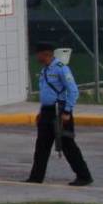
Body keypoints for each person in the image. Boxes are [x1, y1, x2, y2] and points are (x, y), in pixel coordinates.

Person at [26, 42, 93, 186]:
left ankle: (84, 176)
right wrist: (41, 112)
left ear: (45, 54)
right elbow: (46, 93)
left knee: (68, 145)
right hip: (47, 111)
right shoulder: (45, 70)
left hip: (59, 110)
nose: (36, 57)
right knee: (41, 146)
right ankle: (36, 177)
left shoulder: (61, 69)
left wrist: (67, 110)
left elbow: (73, 91)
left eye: (38, 54)